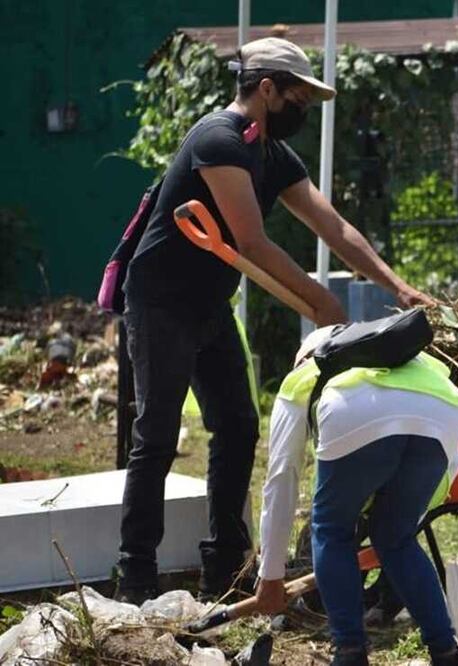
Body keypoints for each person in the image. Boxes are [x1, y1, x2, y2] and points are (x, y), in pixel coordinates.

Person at [115, 37, 433, 604]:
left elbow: (332, 227)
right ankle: (135, 574)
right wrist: (319, 304)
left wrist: (398, 286)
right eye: (297, 98)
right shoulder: (218, 140)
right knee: (158, 437)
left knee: (238, 427)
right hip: (161, 303)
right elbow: (251, 241)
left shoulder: (270, 153)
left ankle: (225, 565)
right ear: (266, 89)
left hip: (210, 305)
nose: (303, 111)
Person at [253, 327, 458, 666]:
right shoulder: (411, 359)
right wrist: (396, 532)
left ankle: (350, 652)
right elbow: (449, 467)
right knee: (396, 537)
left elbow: (281, 478)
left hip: (352, 410)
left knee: (331, 529)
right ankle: (447, 652)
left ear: (306, 354)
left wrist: (270, 577)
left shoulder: (305, 374)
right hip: (446, 409)